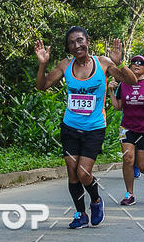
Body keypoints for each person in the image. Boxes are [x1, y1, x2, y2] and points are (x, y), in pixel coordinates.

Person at [35, 28, 137, 228]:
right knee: (72, 172)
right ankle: (80, 214)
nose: (77, 45)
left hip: (94, 128)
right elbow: (42, 85)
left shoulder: (103, 63)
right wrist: (42, 65)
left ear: (88, 41)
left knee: (83, 172)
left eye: (80, 40)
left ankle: (96, 201)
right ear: (69, 47)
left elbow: (131, 81)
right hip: (70, 127)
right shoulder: (65, 65)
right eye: (72, 42)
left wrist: (119, 63)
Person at [108, 54, 144, 205]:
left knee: (142, 165)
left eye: (140, 63)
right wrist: (110, 92)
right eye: (133, 62)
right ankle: (129, 194)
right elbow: (117, 107)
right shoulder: (123, 84)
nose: (136, 65)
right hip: (127, 127)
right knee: (127, 159)